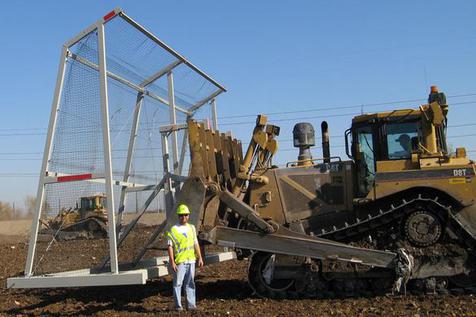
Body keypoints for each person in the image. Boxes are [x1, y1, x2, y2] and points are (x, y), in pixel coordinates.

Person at [166, 204, 204, 311]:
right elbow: (170, 246)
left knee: (190, 283)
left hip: (191, 260)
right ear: (178, 216)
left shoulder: (192, 228)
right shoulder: (173, 229)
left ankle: (191, 306)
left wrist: (200, 257)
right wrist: (172, 262)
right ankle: (178, 307)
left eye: (186, 215)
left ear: (188, 216)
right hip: (180, 262)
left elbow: (195, 243)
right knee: (178, 284)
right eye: (182, 215)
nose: (184, 217)